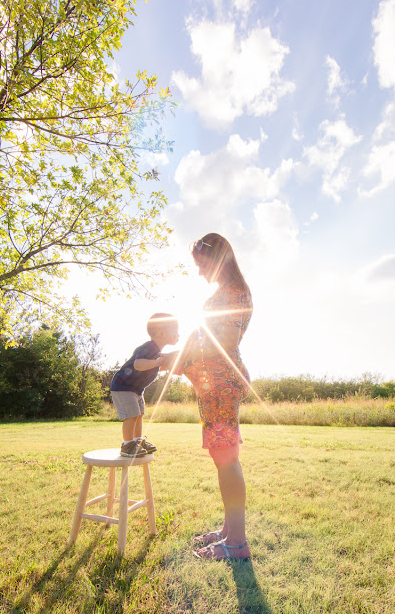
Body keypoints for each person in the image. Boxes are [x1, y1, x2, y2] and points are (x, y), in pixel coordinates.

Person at [161, 233, 252, 560]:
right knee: (223, 458)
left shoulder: (235, 292)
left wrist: (181, 359)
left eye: (202, 264)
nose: (199, 272)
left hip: (222, 385)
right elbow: (209, 339)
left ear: (218, 259)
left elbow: (225, 339)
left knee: (226, 459)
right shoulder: (225, 293)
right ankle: (229, 532)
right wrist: (178, 357)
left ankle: (237, 544)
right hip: (214, 385)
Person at [111, 313, 179, 458]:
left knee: (140, 414)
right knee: (132, 415)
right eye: (175, 330)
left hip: (135, 389)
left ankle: (137, 441)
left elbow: (154, 367)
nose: (178, 334)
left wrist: (164, 365)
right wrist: (156, 362)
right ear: (162, 333)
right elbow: (138, 364)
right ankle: (127, 444)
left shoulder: (157, 351)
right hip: (123, 387)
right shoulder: (148, 347)